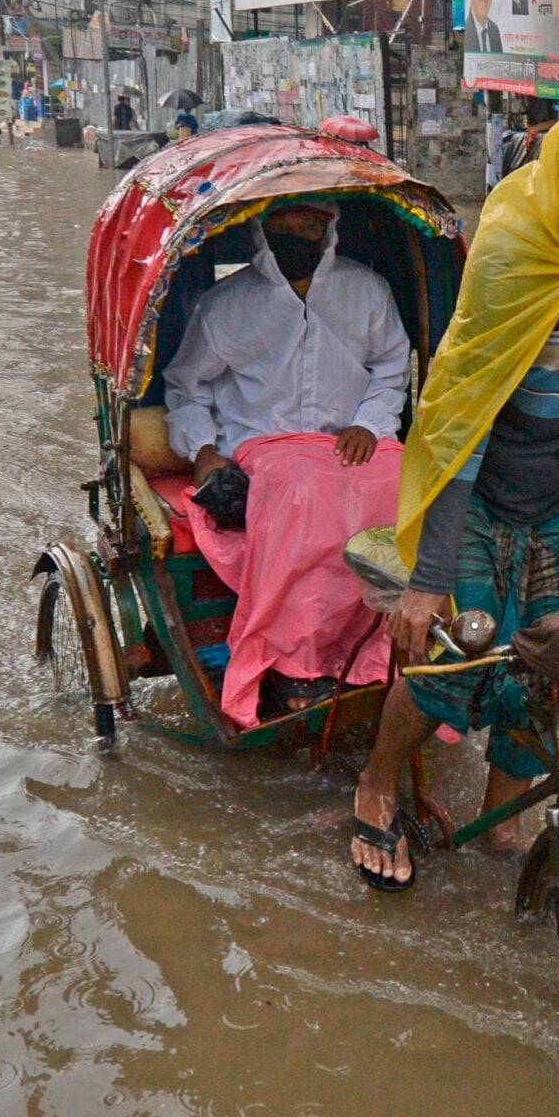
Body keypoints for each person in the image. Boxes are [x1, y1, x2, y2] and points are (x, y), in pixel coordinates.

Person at [350, 95, 559, 890]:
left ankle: (504, 823)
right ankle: (378, 778)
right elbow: (464, 427)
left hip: (555, 503)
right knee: (445, 669)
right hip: (480, 494)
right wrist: (429, 581)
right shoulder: (514, 254)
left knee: (551, 672)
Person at [164, 200, 412, 727]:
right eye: (285, 228)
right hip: (265, 444)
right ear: (262, 231)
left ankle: (387, 644)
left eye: (310, 227)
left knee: (404, 481)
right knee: (301, 491)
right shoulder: (226, 304)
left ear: (329, 230)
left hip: (353, 442)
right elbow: (186, 387)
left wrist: (369, 422)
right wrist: (205, 449)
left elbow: (392, 368)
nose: (298, 237)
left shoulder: (366, 291)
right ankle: (295, 659)